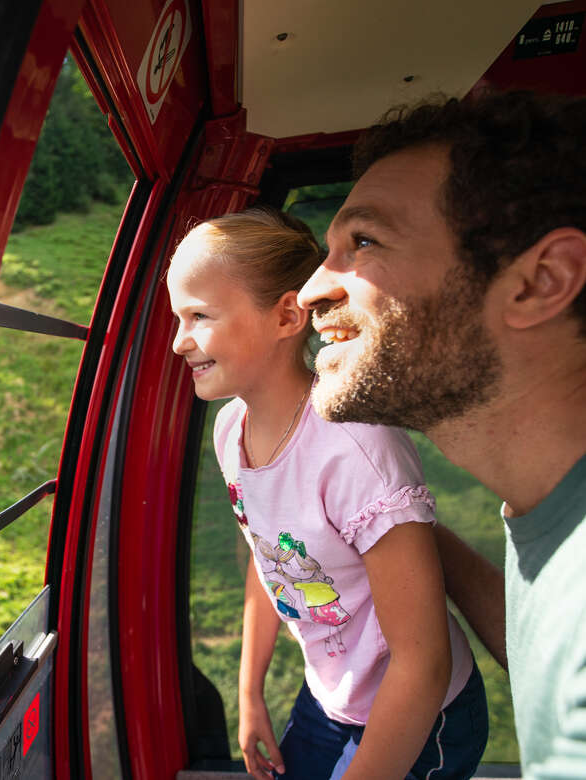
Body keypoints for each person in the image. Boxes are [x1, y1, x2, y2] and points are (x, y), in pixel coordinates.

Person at [296, 89, 586, 778]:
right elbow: (543, 638)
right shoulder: (551, 516)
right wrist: (410, 538)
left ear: (540, 282)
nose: (310, 290)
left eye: (363, 242)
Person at [167, 208, 489, 780]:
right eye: (178, 317)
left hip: (422, 712)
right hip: (329, 698)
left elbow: (422, 663)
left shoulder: (356, 451)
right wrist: (250, 694)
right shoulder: (229, 431)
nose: (178, 342)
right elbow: (272, 557)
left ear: (288, 315)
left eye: (199, 316)